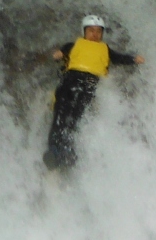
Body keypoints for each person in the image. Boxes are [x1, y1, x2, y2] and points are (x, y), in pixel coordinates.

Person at [43, 14, 143, 170]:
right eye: (91, 31)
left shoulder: (105, 49)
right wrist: (59, 55)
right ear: (84, 32)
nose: (95, 34)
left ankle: (68, 150)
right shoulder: (73, 45)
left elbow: (119, 58)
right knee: (61, 115)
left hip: (88, 86)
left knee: (76, 117)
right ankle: (54, 150)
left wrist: (133, 59)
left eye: (98, 31)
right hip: (69, 82)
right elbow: (63, 52)